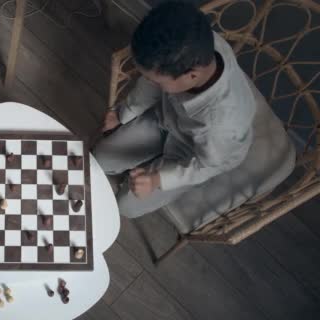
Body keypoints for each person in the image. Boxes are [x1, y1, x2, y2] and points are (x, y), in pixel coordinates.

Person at [95, 1, 260, 218]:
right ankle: (148, 158)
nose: (148, 81)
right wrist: (123, 115)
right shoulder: (196, 48)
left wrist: (157, 180)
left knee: (127, 206)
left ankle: (153, 172)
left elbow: (205, 165)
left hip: (196, 153)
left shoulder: (220, 127)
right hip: (166, 117)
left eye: (156, 81)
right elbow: (150, 86)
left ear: (191, 75)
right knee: (99, 158)